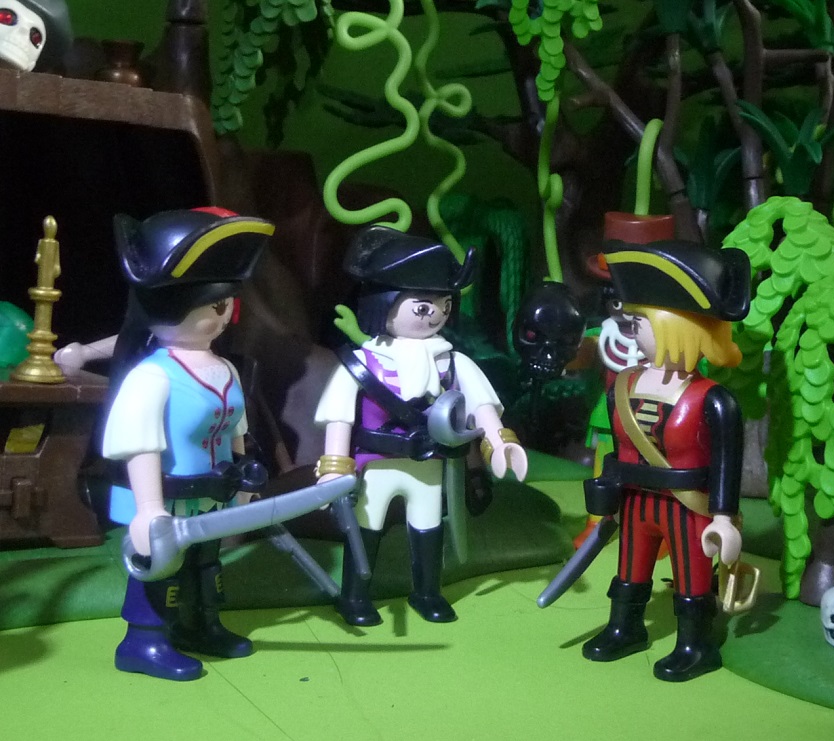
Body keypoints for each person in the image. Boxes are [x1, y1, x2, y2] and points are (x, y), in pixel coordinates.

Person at [314, 226, 527, 625]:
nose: (437, 314)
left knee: (428, 529)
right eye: (423, 306)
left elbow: (482, 406)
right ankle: (355, 596)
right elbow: (339, 417)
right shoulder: (363, 365)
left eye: (444, 305)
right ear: (384, 303)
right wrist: (334, 468)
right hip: (375, 465)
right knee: (366, 528)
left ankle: (427, 592)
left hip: (429, 466)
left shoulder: (452, 362)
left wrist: (499, 444)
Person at [102, 207, 274, 681]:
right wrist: (148, 509)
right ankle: (143, 640)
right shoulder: (153, 376)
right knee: (161, 566)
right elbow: (139, 445)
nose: (223, 316)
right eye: (213, 306)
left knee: (205, 563)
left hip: (212, 495)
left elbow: (236, 430)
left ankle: (201, 623)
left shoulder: (226, 369)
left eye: (227, 305)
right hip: (167, 498)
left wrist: (243, 480)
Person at [583, 238, 750, 682]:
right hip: (635, 500)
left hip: (687, 505)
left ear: (674, 327)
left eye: (638, 322)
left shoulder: (713, 399)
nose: (630, 331)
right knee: (630, 567)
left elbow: (728, 462)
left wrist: (724, 518)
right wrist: (606, 491)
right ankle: (625, 627)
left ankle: (695, 645)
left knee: (692, 576)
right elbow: (616, 448)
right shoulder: (623, 385)